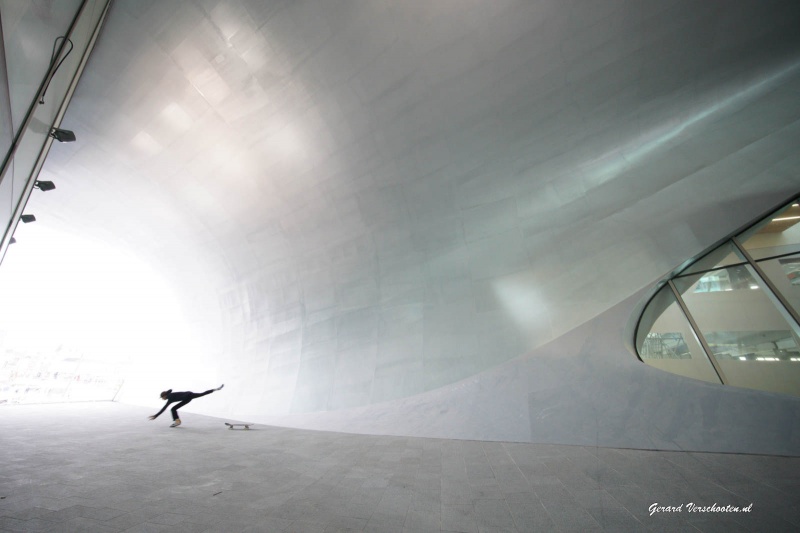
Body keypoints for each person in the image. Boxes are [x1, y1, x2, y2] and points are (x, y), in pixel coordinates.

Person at [149, 384, 224, 427]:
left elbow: (164, 408)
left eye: (162, 398)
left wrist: (156, 415)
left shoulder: (170, 398)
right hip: (188, 397)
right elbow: (170, 389)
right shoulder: (170, 395)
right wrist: (167, 392)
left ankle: (177, 421)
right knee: (202, 394)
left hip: (188, 396)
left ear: (164, 396)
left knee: (173, 409)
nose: (162, 399)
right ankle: (215, 389)